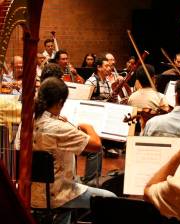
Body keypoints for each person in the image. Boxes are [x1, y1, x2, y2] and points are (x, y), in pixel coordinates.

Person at [15, 77, 116, 224]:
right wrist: (88, 127)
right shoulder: (59, 127)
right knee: (111, 199)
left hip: (30, 192)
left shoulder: (27, 121)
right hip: (56, 193)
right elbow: (96, 145)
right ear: (61, 102)